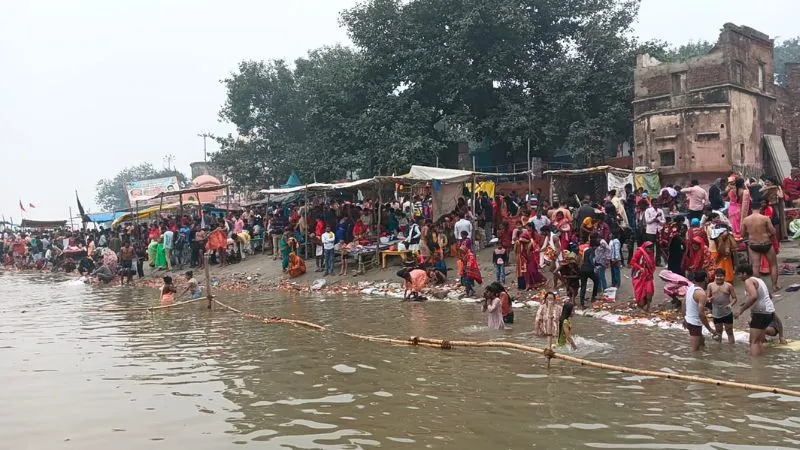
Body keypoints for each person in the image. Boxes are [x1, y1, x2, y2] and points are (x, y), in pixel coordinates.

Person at [734, 264, 776, 356]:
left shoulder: (748, 281)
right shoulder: (759, 280)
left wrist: (741, 310)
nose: (738, 277)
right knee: (759, 340)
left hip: (760, 313)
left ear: (744, 273)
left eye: (739, 274)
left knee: (753, 341)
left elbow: (754, 296)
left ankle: (755, 366)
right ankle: (760, 363)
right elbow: (770, 295)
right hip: (769, 312)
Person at [741, 203, 779, 292]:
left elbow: (742, 234)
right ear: (760, 208)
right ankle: (774, 286)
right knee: (773, 265)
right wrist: (767, 233)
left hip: (753, 244)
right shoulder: (765, 218)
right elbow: (773, 231)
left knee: (755, 266)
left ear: (751, 209)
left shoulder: (746, 220)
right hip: (766, 243)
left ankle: (758, 288)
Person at [684, 270, 716, 352]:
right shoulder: (701, 294)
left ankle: (704, 358)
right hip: (695, 323)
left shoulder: (690, 288)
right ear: (705, 279)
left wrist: (684, 318)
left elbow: (683, 303)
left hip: (688, 320)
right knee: (694, 350)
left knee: (702, 342)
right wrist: (710, 329)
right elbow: (701, 314)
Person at [706, 268, 738, 344]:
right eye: (717, 276)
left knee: (729, 332)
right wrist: (709, 299)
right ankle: (718, 350)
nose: (719, 278)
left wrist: (731, 304)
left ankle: (731, 350)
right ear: (714, 276)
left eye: (721, 276)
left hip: (727, 312)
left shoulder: (729, 286)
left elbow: (735, 298)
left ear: (724, 276)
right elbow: (707, 297)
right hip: (716, 313)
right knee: (718, 333)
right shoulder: (710, 285)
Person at [631, 241, 656, 310]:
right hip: (639, 275)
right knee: (640, 297)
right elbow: (633, 262)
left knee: (649, 291)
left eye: (652, 248)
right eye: (649, 248)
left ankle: (648, 306)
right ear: (645, 247)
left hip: (648, 276)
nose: (650, 249)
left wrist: (651, 272)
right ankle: (641, 304)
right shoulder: (640, 252)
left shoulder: (651, 253)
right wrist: (640, 268)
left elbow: (653, 264)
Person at [578, 236, 599, 308]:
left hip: (583, 269)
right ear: (594, 246)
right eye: (596, 246)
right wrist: (595, 266)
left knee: (583, 285)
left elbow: (582, 259)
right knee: (596, 281)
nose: (596, 248)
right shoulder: (592, 251)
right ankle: (593, 297)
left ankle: (581, 302)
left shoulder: (585, 250)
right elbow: (591, 260)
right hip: (589, 270)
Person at [644, 201, 665, 265]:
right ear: (652, 204)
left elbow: (664, 221)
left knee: (659, 247)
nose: (656, 204)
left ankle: (658, 262)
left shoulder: (660, 211)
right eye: (655, 203)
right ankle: (650, 261)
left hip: (659, 231)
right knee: (650, 247)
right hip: (650, 231)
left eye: (657, 203)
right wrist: (655, 218)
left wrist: (659, 221)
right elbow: (647, 221)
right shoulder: (648, 210)